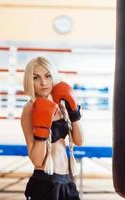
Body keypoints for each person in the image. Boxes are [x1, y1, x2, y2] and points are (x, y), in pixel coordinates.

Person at [21, 56, 83, 200]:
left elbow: (79, 141)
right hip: (45, 182)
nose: (43, 82)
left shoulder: (61, 105)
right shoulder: (29, 109)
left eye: (48, 76)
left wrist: (74, 113)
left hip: (66, 180)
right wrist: (42, 130)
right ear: (29, 81)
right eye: (36, 78)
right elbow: (36, 160)